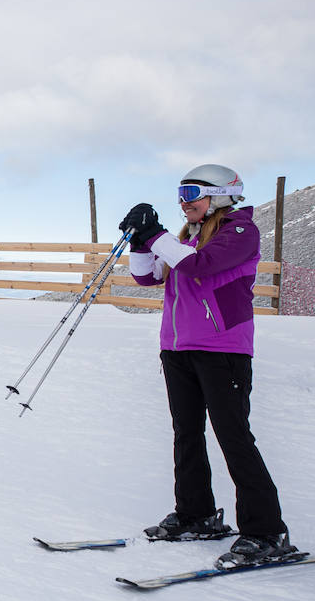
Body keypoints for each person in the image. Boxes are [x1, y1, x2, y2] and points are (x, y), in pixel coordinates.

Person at [122, 164, 294, 569]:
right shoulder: (189, 237)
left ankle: (266, 531)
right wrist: (141, 242)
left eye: (192, 194)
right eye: (180, 195)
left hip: (223, 349)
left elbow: (199, 267)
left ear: (220, 195)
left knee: (233, 436)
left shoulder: (239, 231)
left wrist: (155, 235)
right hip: (178, 348)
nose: (184, 203)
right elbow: (146, 278)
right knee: (186, 432)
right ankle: (195, 514)